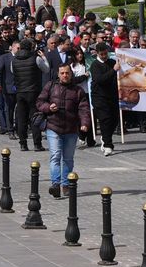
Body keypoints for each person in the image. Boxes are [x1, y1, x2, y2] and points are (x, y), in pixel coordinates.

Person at [36, 64, 92, 198]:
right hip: (53, 127)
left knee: (68, 159)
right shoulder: (50, 86)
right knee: (55, 156)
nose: (65, 75)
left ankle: (65, 184)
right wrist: (49, 107)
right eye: (62, 73)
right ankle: (55, 184)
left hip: (71, 129)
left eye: (67, 73)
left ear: (71, 74)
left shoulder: (78, 90)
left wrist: (84, 123)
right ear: (58, 74)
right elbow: (39, 102)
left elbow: (84, 109)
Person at [11, 38, 50, 151]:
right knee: (35, 118)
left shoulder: (14, 60)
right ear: (31, 48)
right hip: (33, 91)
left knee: (21, 118)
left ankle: (23, 144)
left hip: (20, 92)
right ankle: (37, 144)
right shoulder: (36, 58)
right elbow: (46, 69)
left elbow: (13, 71)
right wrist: (43, 57)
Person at [90, 43, 119, 157]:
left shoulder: (112, 62)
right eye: (101, 54)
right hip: (99, 97)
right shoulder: (95, 65)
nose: (103, 56)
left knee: (114, 120)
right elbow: (100, 80)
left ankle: (105, 137)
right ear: (97, 53)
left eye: (105, 53)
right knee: (105, 120)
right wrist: (113, 71)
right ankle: (108, 145)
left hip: (112, 96)